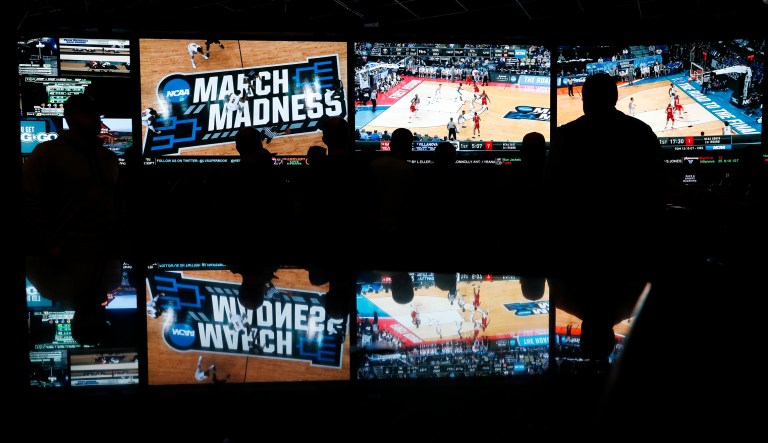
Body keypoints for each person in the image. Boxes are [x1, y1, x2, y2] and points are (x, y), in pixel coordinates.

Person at [544, 72, 667, 360]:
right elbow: (658, 191)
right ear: (615, 98)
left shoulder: (565, 135)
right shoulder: (642, 133)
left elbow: (549, 197)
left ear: (584, 101)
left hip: (577, 250)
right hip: (629, 249)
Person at [23, 93, 121, 257]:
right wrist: (52, 245)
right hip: (67, 254)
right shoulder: (47, 152)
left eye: (97, 113)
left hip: (105, 253)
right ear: (70, 117)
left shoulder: (108, 157)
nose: (95, 118)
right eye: (87, 113)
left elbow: (116, 203)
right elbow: (28, 200)